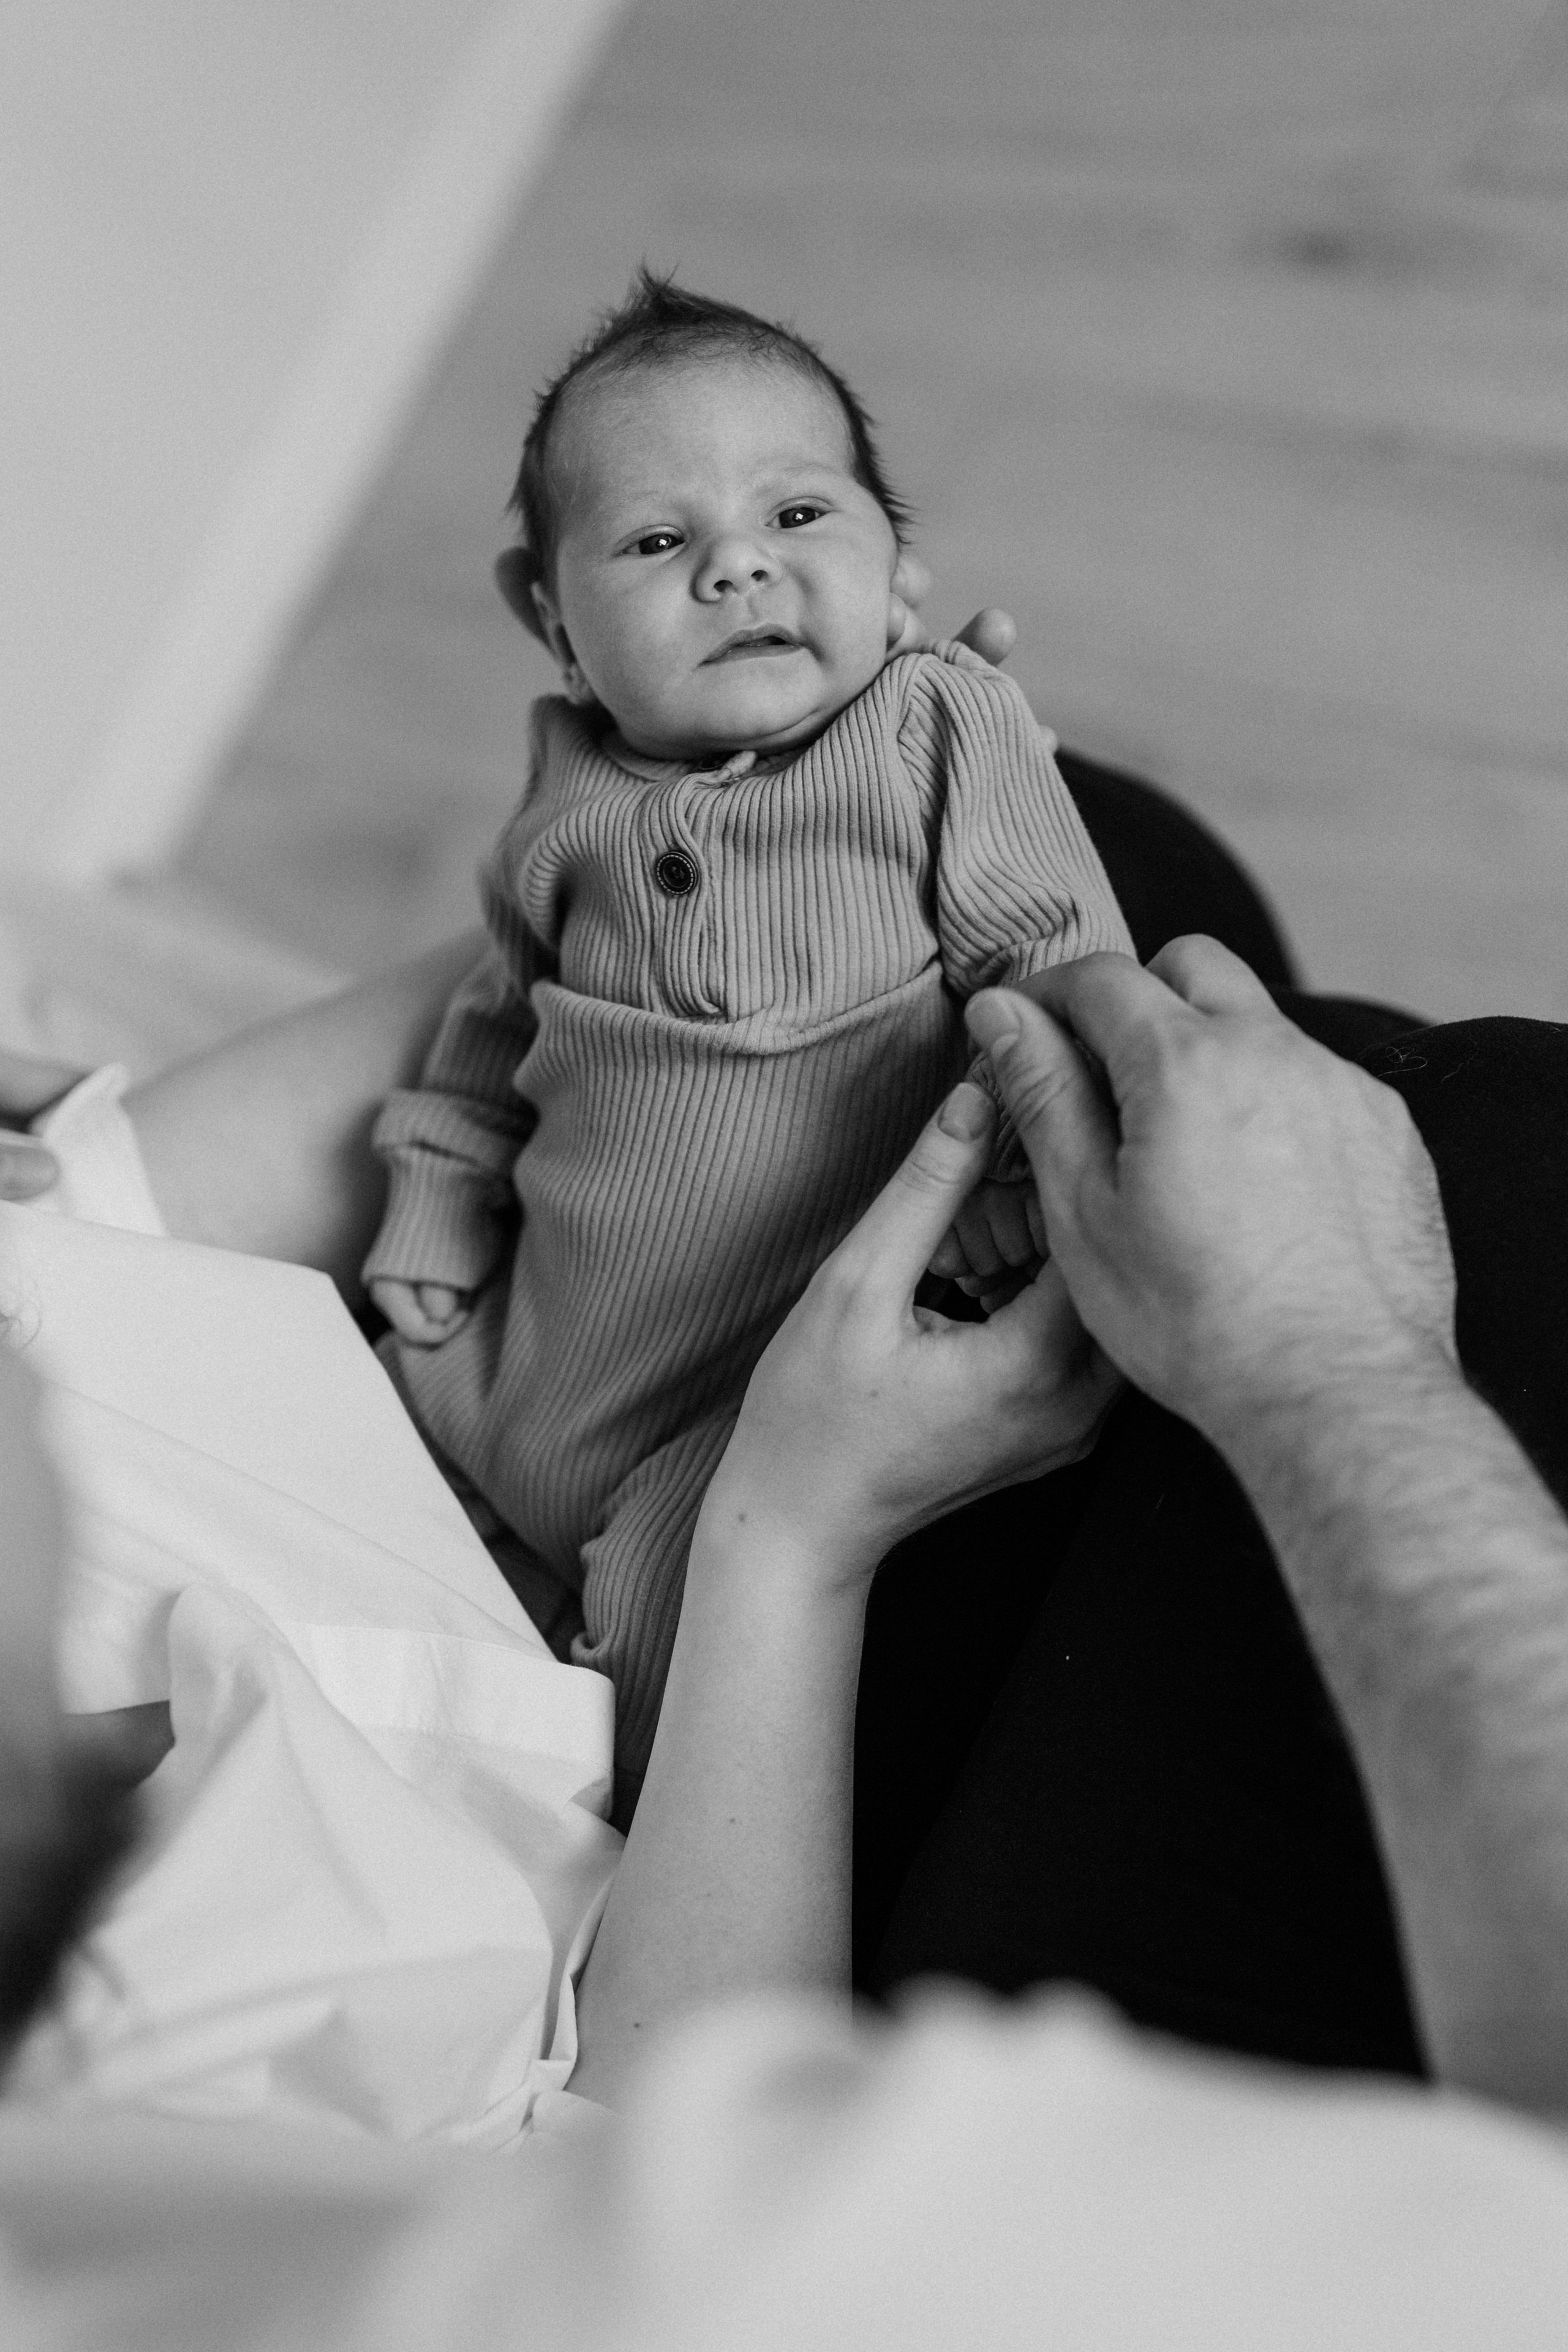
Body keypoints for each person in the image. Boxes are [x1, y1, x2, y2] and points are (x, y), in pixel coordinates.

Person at [6, 938, 1568, 2351]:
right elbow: (667, 2197)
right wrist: (799, 1522)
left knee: (932, 915)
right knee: (1494, 1177)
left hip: (574, 1489)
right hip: (720, 1863)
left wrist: (688, 853)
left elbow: (95, 1225)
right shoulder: (234, 2201)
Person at [359, 271, 1132, 1806]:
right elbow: (489, 1023)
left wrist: (1019, 1174)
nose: (737, 571)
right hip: (530, 1343)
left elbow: (1049, 955)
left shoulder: (935, 725)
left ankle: (591, 1835)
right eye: (657, 543)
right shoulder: (560, 800)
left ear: (896, 562)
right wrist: (435, 1191)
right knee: (364, 1433)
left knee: (663, 1616)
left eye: (799, 518)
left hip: (745, 1388)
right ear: (550, 617)